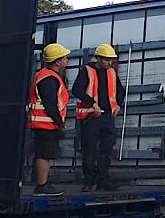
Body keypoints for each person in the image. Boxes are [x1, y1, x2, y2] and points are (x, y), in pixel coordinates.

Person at [72, 44, 125, 192]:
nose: (110, 63)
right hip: (90, 116)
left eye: (111, 60)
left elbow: (120, 90)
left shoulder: (112, 73)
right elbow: (77, 90)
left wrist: (118, 104)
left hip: (107, 116)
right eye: (107, 59)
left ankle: (103, 179)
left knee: (106, 150)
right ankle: (89, 180)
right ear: (98, 58)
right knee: (89, 151)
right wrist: (92, 103)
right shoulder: (87, 71)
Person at [28, 43, 71, 197]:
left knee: (44, 155)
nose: (66, 60)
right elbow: (50, 104)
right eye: (64, 58)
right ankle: (42, 186)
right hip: (45, 124)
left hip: (44, 123)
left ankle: (43, 184)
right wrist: (60, 123)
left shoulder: (46, 76)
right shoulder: (49, 78)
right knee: (44, 155)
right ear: (57, 61)